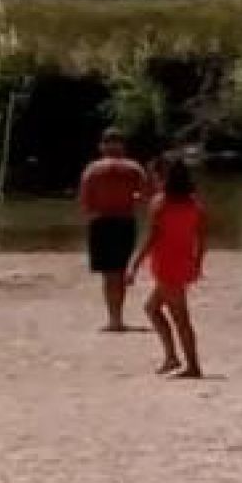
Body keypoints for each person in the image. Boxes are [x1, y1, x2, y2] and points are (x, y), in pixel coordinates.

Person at [129, 156, 207, 378]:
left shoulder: (160, 203)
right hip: (184, 261)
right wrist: (198, 263)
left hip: (166, 263)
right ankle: (172, 357)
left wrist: (135, 264)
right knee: (153, 308)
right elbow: (201, 238)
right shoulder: (195, 204)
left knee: (180, 316)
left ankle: (192, 365)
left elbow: (152, 237)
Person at [78, 129, 150, 333]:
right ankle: (119, 317)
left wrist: (92, 212)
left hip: (101, 221)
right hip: (125, 220)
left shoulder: (93, 169)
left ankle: (114, 319)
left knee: (108, 274)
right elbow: (145, 196)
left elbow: (85, 201)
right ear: (122, 145)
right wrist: (131, 200)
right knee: (120, 270)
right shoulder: (133, 168)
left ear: (102, 146)